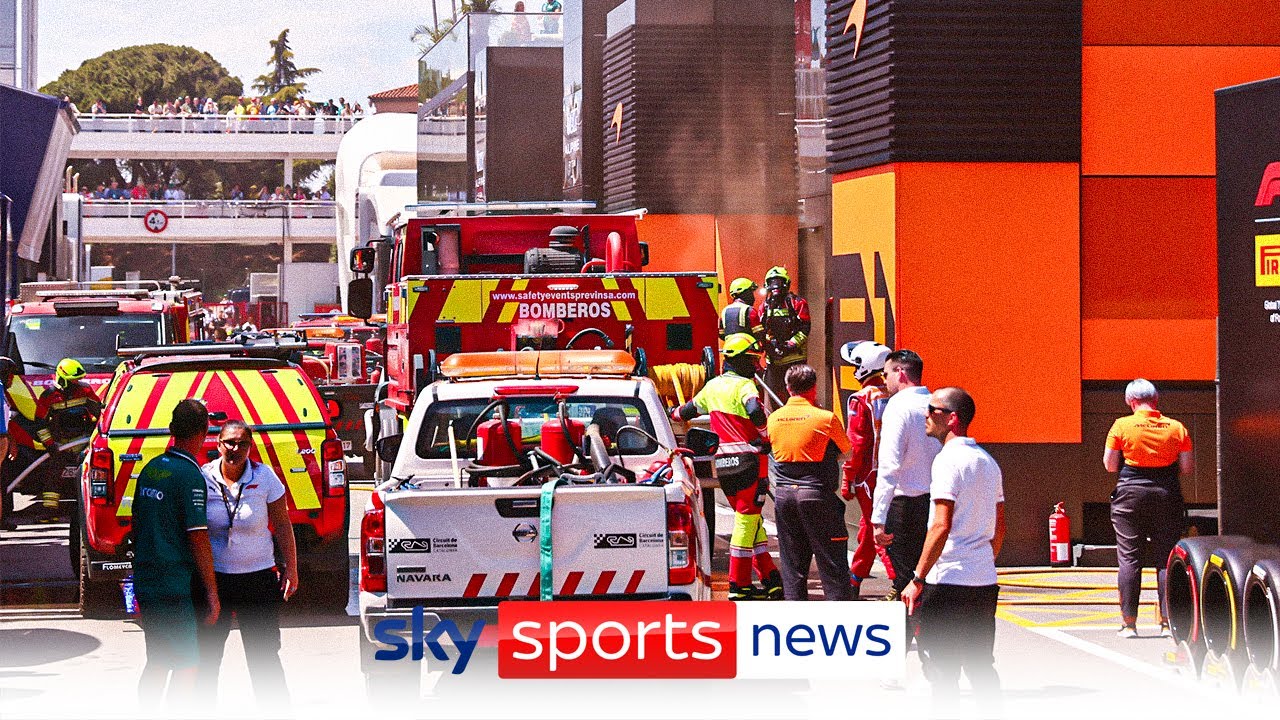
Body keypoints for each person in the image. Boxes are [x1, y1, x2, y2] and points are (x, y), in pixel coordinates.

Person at [901, 386, 1005, 711]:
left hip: (947, 583)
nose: (926, 415)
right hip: (982, 581)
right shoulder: (988, 462)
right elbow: (1000, 526)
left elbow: (940, 525)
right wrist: (981, 562)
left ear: (952, 418)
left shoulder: (947, 461)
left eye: (933, 410)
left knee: (942, 671)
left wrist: (917, 578)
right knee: (980, 666)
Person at [197, 420, 298, 708]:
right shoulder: (203, 477)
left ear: (250, 447)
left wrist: (291, 568)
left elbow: (282, 524)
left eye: (242, 443)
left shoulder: (264, 477)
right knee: (207, 657)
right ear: (218, 444)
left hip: (258, 580)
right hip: (216, 580)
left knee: (264, 657)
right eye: (229, 442)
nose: (235, 448)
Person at [672, 334, 781, 600]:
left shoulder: (712, 387)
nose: (756, 366)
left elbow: (685, 411)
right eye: (752, 360)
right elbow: (755, 410)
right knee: (745, 524)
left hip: (723, 466)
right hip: (749, 464)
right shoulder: (745, 386)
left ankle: (771, 580)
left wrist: (671, 413)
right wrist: (765, 435)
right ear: (742, 360)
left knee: (753, 524)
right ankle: (739, 585)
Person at [133, 399, 220, 710]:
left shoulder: (151, 469)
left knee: (158, 661)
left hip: (147, 578)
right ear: (205, 431)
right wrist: (212, 592)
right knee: (187, 664)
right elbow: (198, 537)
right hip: (173, 583)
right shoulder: (190, 475)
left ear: (171, 429)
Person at [1103, 378, 1191, 638]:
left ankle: (1129, 624)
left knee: (1130, 559)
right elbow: (1187, 468)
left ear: (1131, 402)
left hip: (1129, 496)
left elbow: (1110, 464)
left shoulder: (1121, 425)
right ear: (1156, 400)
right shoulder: (1176, 427)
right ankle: (1167, 624)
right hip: (1166, 495)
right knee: (1166, 559)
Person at [767, 364, 853, 600]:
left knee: (792, 567)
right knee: (833, 565)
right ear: (814, 388)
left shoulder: (774, 418)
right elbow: (847, 452)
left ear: (788, 388)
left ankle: (796, 617)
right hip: (817, 495)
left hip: (784, 495)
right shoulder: (826, 418)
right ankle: (843, 618)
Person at [870, 349, 940, 600]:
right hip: (937, 502)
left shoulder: (898, 407)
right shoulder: (936, 404)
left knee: (906, 582)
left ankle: (910, 623)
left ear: (900, 373)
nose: (884, 380)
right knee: (929, 576)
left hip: (905, 507)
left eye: (886, 374)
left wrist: (878, 518)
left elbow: (889, 465)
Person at [839, 340, 897, 597]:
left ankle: (899, 584)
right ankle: (854, 578)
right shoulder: (895, 395)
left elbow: (857, 443)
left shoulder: (860, 399)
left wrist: (847, 476)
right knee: (867, 526)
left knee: (878, 532)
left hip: (869, 476)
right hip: (894, 472)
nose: (853, 370)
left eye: (855, 365)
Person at [33, 359, 103, 517]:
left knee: (90, 473)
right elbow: (40, 424)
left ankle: (90, 510)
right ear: (62, 379)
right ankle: (50, 510)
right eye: (73, 381)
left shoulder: (85, 391)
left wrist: (94, 440)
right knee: (53, 473)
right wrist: (50, 445)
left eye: (78, 380)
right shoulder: (49, 396)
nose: (76, 383)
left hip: (83, 441)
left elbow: (100, 414)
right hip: (60, 444)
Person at [750, 266, 810, 408]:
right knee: (775, 399)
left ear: (786, 283)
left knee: (798, 399)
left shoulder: (797, 303)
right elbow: (762, 330)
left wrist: (790, 345)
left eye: (778, 281)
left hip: (795, 361)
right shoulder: (765, 306)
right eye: (772, 282)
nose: (775, 286)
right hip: (774, 362)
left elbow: (805, 328)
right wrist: (770, 346)